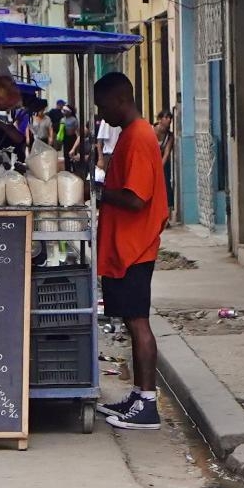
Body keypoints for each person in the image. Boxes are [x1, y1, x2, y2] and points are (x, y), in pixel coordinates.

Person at [92, 72, 168, 430]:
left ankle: (149, 403)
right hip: (124, 246)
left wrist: (97, 190)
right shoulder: (129, 135)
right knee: (129, 319)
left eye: (103, 106)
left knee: (138, 322)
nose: (101, 114)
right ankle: (139, 394)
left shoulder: (139, 136)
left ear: (121, 100)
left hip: (136, 246)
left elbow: (137, 199)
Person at [154, 111, 175, 215]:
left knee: (166, 184)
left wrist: (160, 168)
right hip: (150, 160)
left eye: (170, 118)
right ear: (160, 119)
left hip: (162, 162)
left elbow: (166, 153)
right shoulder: (151, 130)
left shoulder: (169, 136)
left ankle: (167, 214)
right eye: (166, 117)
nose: (169, 120)